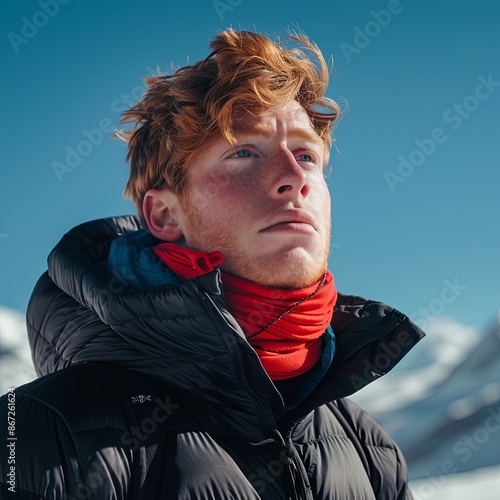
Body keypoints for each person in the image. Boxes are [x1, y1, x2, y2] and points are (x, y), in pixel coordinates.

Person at [0, 29, 424, 499]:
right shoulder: (41, 436)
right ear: (164, 214)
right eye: (243, 153)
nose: (294, 178)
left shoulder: (371, 451)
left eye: (306, 155)